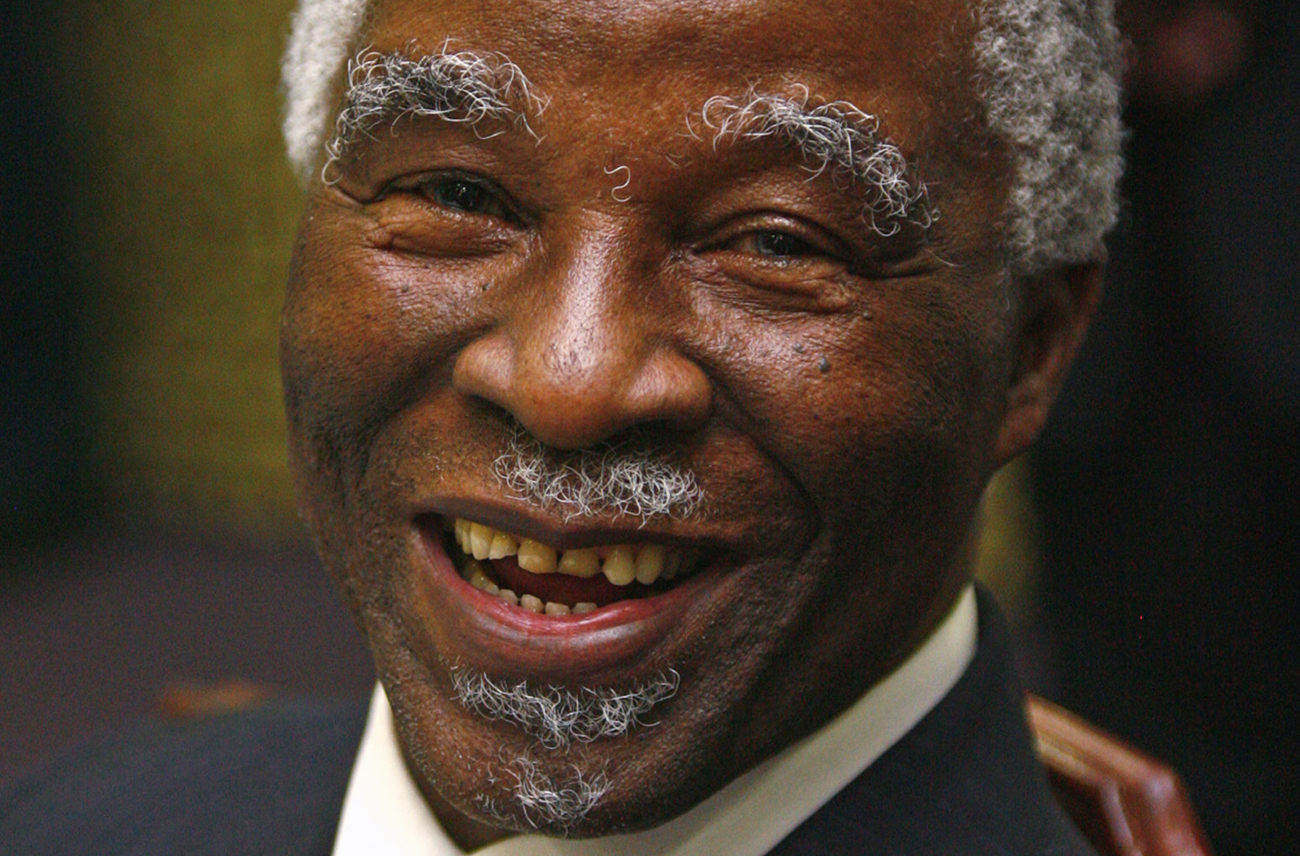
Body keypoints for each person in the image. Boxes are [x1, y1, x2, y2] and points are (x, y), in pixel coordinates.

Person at [0, 0, 1123, 853]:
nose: (567, 383)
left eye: (774, 243)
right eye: (458, 196)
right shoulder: (78, 821)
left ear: (1033, 347)